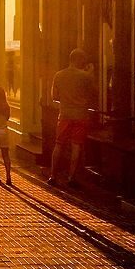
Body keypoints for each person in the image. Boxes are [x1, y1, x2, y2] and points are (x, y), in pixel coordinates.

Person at [48, 49, 97, 187]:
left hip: (64, 114)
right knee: (76, 146)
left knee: (59, 144)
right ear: (78, 60)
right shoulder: (85, 76)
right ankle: (71, 177)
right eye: (83, 60)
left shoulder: (59, 75)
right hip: (81, 114)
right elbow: (94, 92)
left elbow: (54, 97)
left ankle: (53, 175)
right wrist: (91, 73)